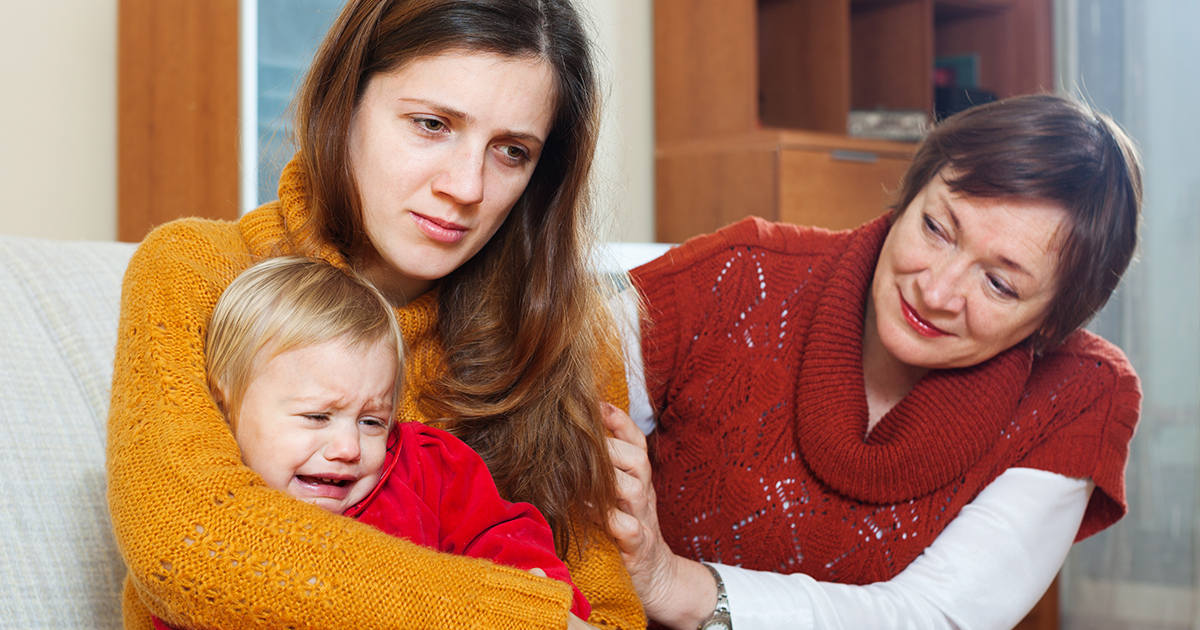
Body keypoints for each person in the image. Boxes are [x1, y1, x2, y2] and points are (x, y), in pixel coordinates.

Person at [105, 1, 643, 628]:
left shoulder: (565, 340)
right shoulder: (195, 270)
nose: (467, 187)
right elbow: (188, 542)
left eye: (511, 151)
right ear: (346, 101)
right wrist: (520, 617)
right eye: (432, 124)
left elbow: (608, 616)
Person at [604, 94, 1143, 630]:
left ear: (1053, 321)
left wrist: (676, 586)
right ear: (911, 194)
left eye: (999, 284)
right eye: (936, 228)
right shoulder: (739, 275)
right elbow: (554, 410)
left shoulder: (1079, 393)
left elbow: (933, 616)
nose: (936, 292)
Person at [151, 256, 591, 630]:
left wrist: (537, 589)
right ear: (224, 406)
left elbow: (502, 534)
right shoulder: (215, 517)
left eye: (371, 421)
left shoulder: (428, 467)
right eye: (317, 416)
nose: (348, 448)